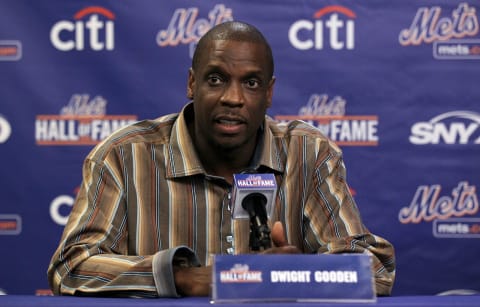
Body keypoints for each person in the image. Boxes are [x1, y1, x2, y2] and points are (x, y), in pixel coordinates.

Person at [47, 21, 395, 297]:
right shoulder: (124, 155)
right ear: (191, 83)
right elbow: (73, 265)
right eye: (216, 79)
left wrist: (292, 274)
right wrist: (184, 278)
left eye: (252, 84)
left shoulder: (307, 154)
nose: (233, 98)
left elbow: (373, 270)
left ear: (270, 93)